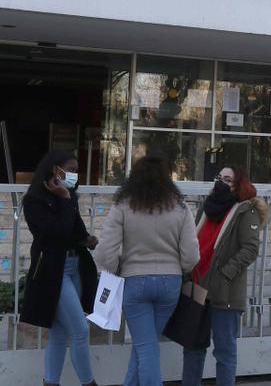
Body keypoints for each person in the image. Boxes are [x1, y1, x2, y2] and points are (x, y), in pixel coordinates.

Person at [96, 155, 200, 386]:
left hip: (134, 280)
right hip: (170, 282)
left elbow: (105, 251)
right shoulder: (180, 207)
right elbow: (191, 254)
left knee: (145, 346)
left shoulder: (123, 205)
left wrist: (116, 269)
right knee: (147, 345)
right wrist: (180, 269)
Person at [182, 165, 267, 386]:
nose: (221, 182)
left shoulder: (246, 210)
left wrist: (225, 274)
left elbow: (250, 249)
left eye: (227, 179)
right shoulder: (207, 208)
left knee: (224, 351)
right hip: (198, 287)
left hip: (226, 293)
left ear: (239, 184)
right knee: (192, 347)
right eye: (219, 177)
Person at [19, 150, 99, 386]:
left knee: (60, 332)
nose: (76, 175)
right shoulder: (35, 200)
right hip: (54, 271)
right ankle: (89, 383)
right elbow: (57, 232)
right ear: (56, 170)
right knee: (80, 330)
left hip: (75, 266)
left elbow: (74, 229)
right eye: (72, 170)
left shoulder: (69, 196)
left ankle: (50, 382)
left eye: (76, 170)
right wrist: (64, 199)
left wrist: (86, 239)